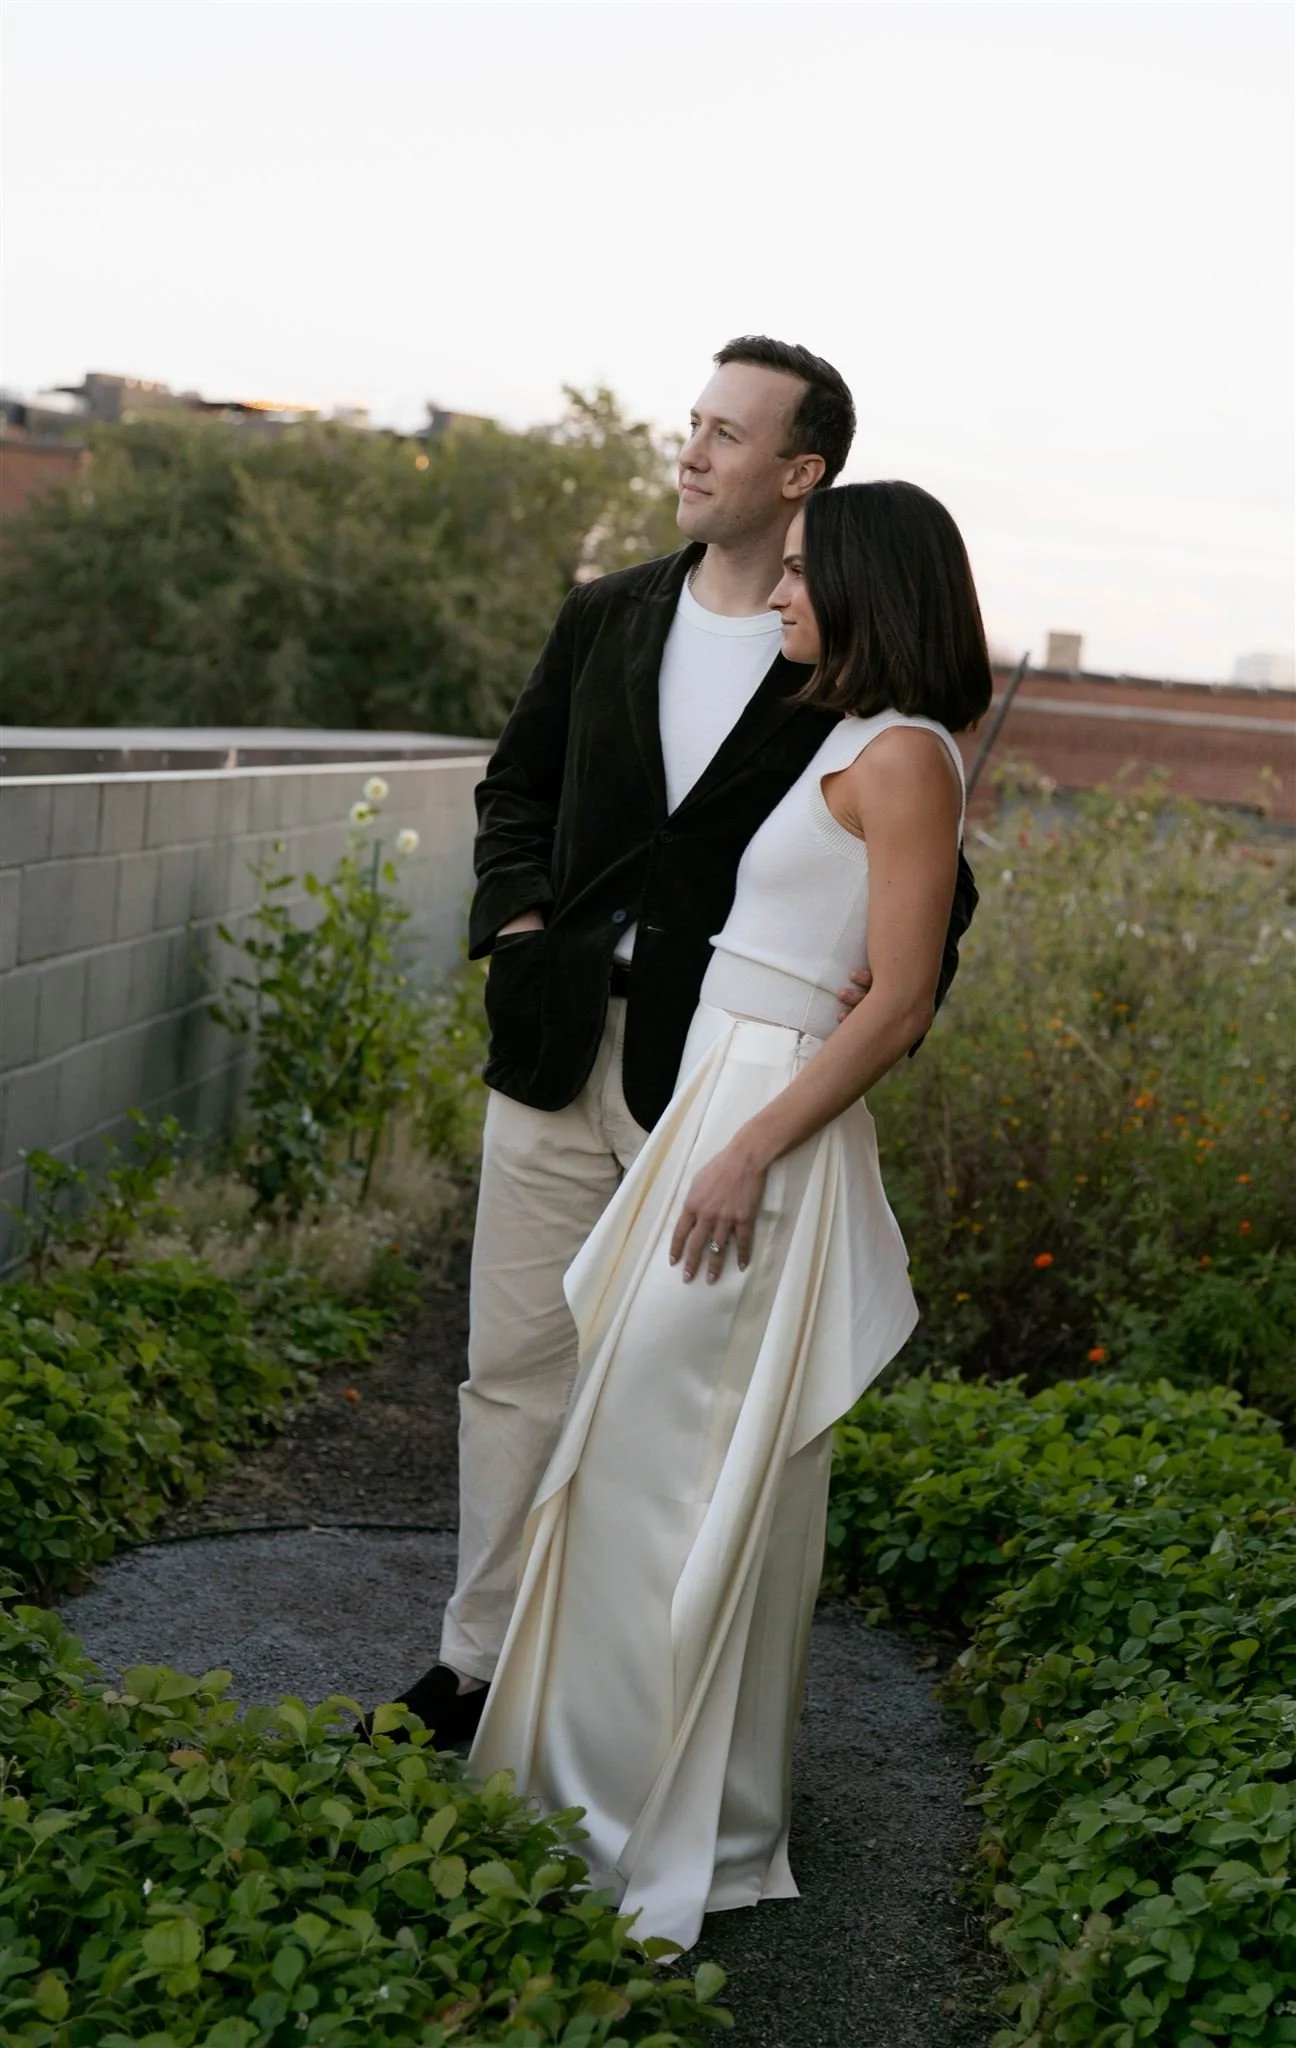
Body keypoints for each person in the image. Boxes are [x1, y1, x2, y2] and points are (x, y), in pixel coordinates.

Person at [385, 340, 976, 1746]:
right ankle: (476, 1670)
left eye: (728, 432)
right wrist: (522, 930)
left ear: (802, 472)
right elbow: (516, 787)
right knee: (513, 1367)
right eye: (691, 422)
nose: (691, 451)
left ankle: (618, 1706)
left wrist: (891, 990)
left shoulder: (840, 655)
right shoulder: (606, 614)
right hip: (554, 1046)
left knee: (665, 1402)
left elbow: (928, 878)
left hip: (716, 1079)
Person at [468, 479, 994, 1952]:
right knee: (635, 1460)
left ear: (874, 588)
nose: (780, 592)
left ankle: (632, 1823)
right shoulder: (839, 731)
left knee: (667, 1474)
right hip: (717, 1099)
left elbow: (900, 1000)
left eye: (807, 573)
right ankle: (609, 1794)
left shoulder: (907, 755)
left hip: (759, 1130)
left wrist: (749, 1146)